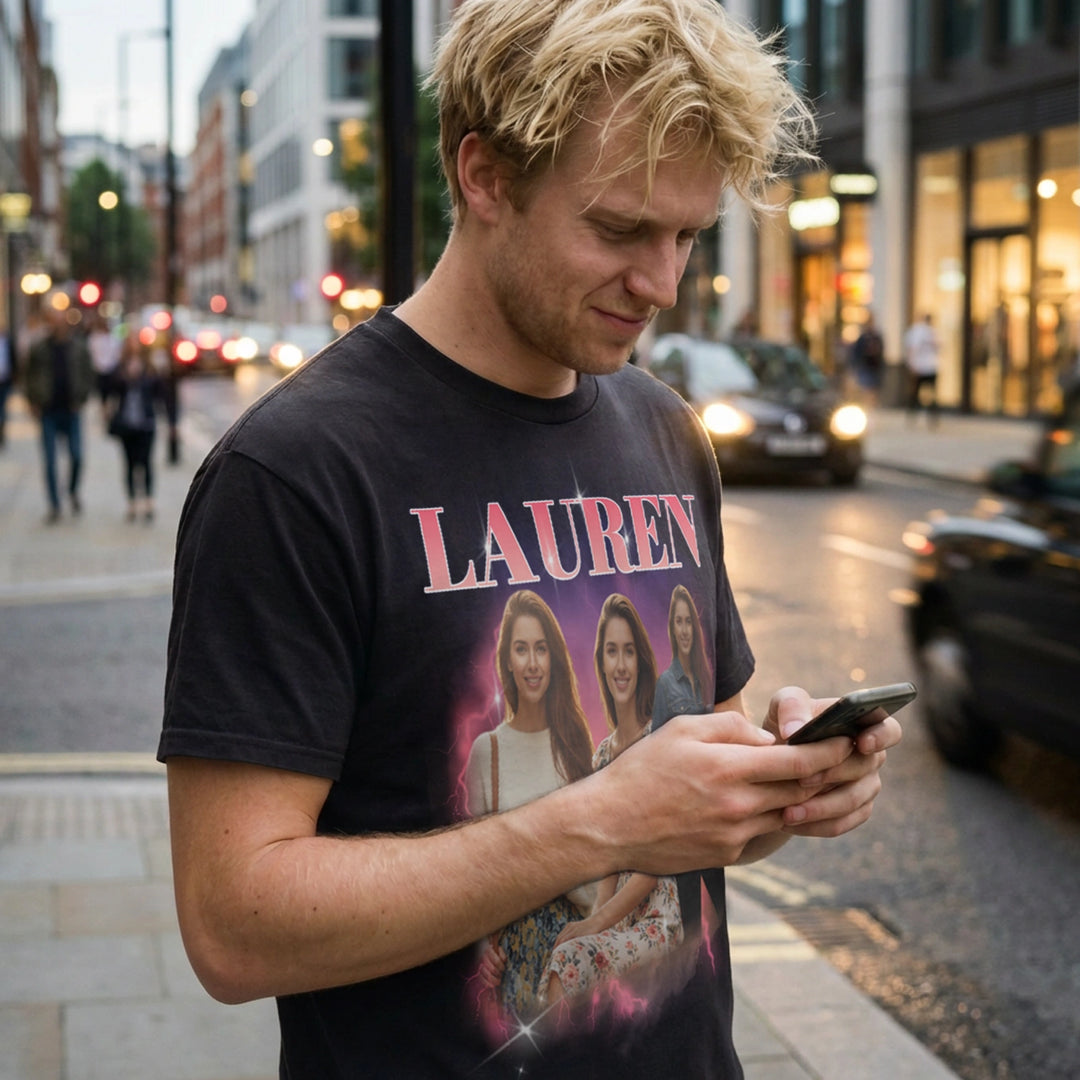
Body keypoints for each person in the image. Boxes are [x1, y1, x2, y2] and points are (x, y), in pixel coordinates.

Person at [159, 3, 903, 1077]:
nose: (662, 284)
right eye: (619, 229)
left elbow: (694, 810)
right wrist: (601, 822)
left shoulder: (665, 428)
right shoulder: (294, 473)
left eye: (687, 236)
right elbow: (234, 927)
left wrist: (786, 786)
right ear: (485, 177)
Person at [543, 594, 682, 1009]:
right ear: (601, 662)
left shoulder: (658, 739)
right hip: (622, 918)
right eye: (611, 652)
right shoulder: (602, 756)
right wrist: (593, 921)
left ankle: (556, 1047)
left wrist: (599, 922)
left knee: (569, 959)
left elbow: (655, 860)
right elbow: (609, 861)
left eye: (629, 652)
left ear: (641, 661)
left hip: (657, 919)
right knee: (564, 949)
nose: (621, 665)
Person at [465, 590, 596, 1019]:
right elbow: (472, 873)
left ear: (554, 658)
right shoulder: (488, 753)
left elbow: (596, 877)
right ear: (507, 659)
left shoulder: (574, 747)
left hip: (572, 955)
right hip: (515, 967)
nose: (533, 663)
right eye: (521, 649)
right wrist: (482, 948)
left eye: (541, 648)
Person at [23, 308, 94, 523]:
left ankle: (72, 490)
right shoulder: (39, 348)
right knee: (50, 460)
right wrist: (32, 401)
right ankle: (54, 504)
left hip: (71, 410)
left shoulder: (78, 347)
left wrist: (82, 398)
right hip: (48, 410)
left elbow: (88, 374)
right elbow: (28, 375)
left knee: (77, 456)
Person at [105, 333, 167, 523]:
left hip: (146, 423)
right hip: (126, 424)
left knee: (146, 462)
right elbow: (110, 387)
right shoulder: (120, 368)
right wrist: (127, 377)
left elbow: (160, 391)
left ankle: (148, 501)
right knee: (130, 463)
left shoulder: (150, 368)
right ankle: (132, 502)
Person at [653, 584, 712, 726]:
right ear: (672, 628)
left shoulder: (705, 678)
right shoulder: (664, 684)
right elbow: (657, 738)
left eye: (688, 621)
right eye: (679, 622)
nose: (684, 631)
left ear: (694, 627)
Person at [904, 312, 940, 425]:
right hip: (926, 366)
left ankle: (920, 416)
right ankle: (917, 416)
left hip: (925, 366)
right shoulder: (924, 331)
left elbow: (911, 349)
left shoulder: (930, 332)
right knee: (924, 393)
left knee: (919, 393)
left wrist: (911, 364)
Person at [850, 312, 885, 406]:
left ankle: (871, 406)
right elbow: (856, 352)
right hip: (864, 366)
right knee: (865, 388)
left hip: (874, 367)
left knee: (873, 389)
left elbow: (881, 350)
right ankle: (866, 405)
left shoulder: (877, 336)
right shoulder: (863, 337)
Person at [87, 313, 121, 405]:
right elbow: (93, 354)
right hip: (98, 373)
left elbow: (116, 354)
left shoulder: (114, 338)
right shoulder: (94, 338)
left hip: (111, 372)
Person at [0, 325, 12, 448]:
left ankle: (1, 433)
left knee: (2, 409)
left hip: (4, 382)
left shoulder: (8, 342)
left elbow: (13, 359)